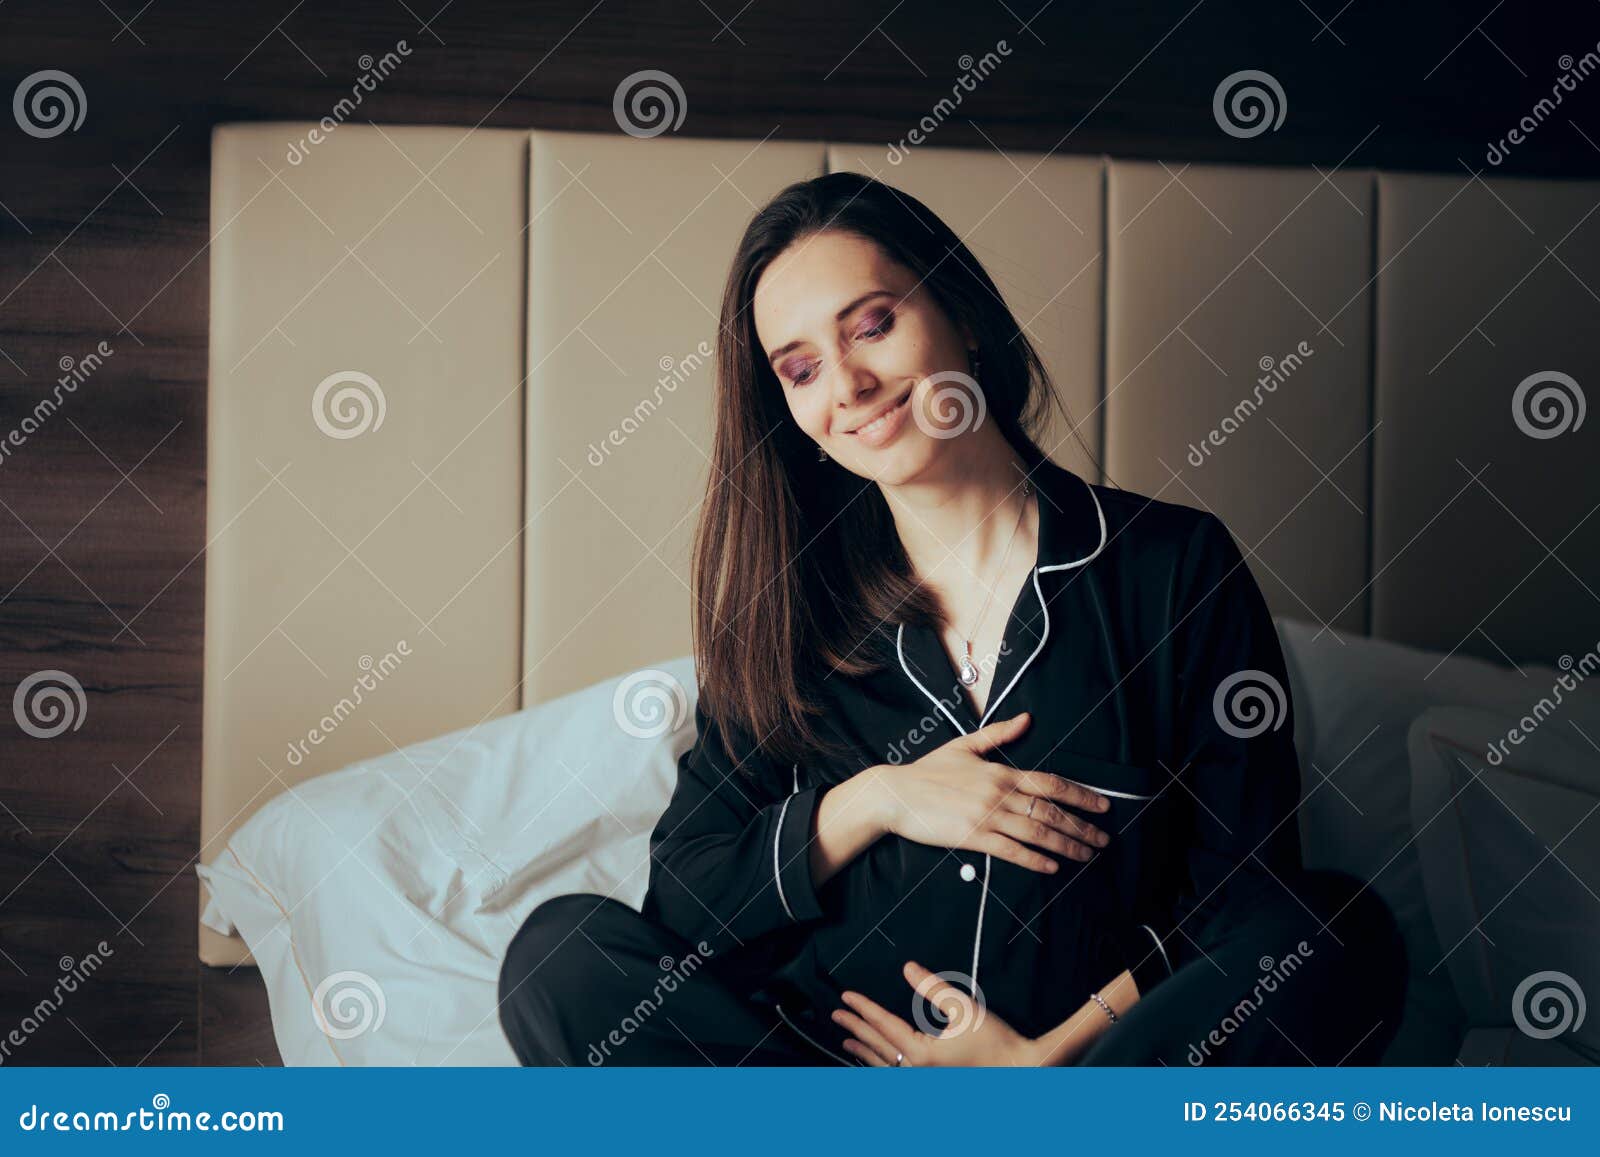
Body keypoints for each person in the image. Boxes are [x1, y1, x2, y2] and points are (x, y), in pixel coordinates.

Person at [498, 171, 1406, 1067]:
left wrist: (1043, 1063)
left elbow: (1242, 888)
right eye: (802, 369)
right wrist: (877, 800)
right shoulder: (793, 621)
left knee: (1336, 932)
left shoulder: (1172, 568)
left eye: (874, 325)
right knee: (557, 961)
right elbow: (690, 901)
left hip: (1085, 1082)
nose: (847, 385)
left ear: (963, 317)